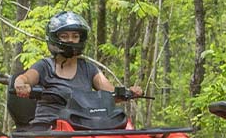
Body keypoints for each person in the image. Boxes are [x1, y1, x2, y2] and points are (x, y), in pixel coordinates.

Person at [13, 11, 142, 127]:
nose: (71, 40)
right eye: (65, 36)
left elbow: (111, 94)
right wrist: (21, 84)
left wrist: (128, 92)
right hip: (48, 128)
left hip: (81, 127)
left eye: (75, 36)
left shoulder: (88, 69)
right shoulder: (44, 66)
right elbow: (25, 77)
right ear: (55, 38)